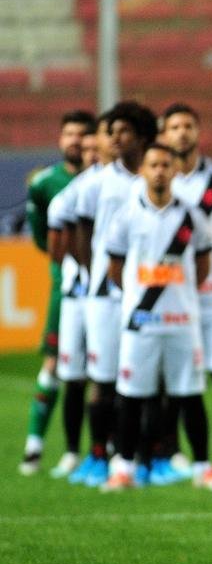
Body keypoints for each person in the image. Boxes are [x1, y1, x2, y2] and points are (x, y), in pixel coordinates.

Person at [102, 142, 212, 490]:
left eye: (166, 165)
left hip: (182, 322)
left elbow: (203, 264)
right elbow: (115, 268)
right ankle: (124, 467)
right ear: (143, 171)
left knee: (190, 395)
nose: (160, 171)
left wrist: (182, 297)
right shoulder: (126, 216)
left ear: (174, 171)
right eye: (153, 165)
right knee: (132, 396)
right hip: (141, 323)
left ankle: (203, 467)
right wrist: (138, 300)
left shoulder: (192, 216)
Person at [74, 101, 159, 488]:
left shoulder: (155, 180)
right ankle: (98, 455)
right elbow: (80, 234)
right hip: (105, 295)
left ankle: (145, 457)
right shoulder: (96, 182)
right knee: (104, 378)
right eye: (112, 132)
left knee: (143, 378)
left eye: (124, 131)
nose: (115, 138)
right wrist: (95, 273)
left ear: (141, 137)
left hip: (146, 295)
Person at [161, 103, 212, 490]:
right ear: (164, 134)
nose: (181, 132)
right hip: (172, 296)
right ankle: (177, 456)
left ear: (198, 131)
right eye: (174, 126)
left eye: (187, 126)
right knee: (176, 381)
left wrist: (208, 271)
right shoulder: (158, 181)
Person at [20, 110, 95, 476]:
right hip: (64, 288)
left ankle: (104, 449)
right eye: (69, 134)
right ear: (60, 139)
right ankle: (35, 445)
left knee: (101, 369)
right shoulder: (45, 184)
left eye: (82, 134)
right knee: (54, 362)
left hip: (103, 286)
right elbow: (41, 237)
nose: (75, 141)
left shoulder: (104, 181)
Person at [46, 114, 101, 479]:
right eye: (87, 149)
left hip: (109, 296)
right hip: (76, 296)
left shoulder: (120, 189)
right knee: (73, 376)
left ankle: (104, 448)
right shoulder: (69, 196)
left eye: (98, 148)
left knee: (106, 377)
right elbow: (55, 247)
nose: (92, 154)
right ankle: (70, 450)